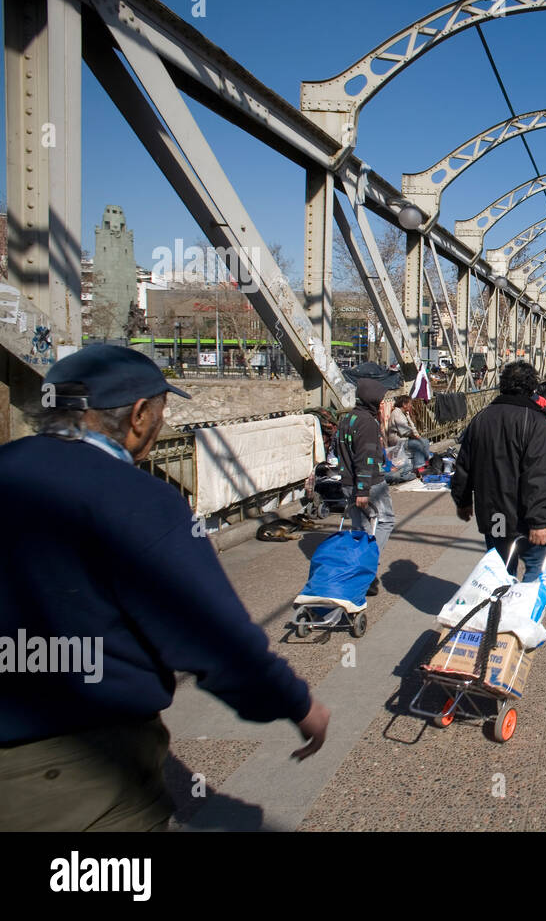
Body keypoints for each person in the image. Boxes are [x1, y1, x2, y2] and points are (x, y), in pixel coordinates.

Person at [0, 345, 329, 831]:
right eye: (161, 411)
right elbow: (211, 637)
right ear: (138, 416)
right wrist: (294, 703)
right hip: (74, 764)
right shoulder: (134, 499)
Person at [451, 361, 546, 583]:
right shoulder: (535, 421)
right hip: (523, 513)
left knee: (500, 567)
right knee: (540, 564)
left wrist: (462, 500)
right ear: (532, 388)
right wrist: (539, 521)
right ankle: (523, 614)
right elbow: (539, 475)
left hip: (493, 511)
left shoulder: (481, 419)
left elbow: (464, 465)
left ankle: (500, 610)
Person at [337, 378, 396, 596]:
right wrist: (363, 489)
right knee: (385, 520)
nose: (384, 404)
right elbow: (366, 457)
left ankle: (360, 573)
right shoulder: (367, 424)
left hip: (346, 481)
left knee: (360, 527)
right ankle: (366, 565)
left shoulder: (347, 419)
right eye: (381, 400)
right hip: (369, 483)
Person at [388, 394, 432, 469]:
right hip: (398, 440)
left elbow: (412, 427)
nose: (411, 405)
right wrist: (416, 437)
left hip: (406, 438)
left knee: (425, 441)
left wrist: (418, 436)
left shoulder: (405, 413)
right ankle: (419, 466)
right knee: (417, 444)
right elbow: (405, 431)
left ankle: (426, 461)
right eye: (410, 403)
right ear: (404, 404)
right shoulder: (397, 413)